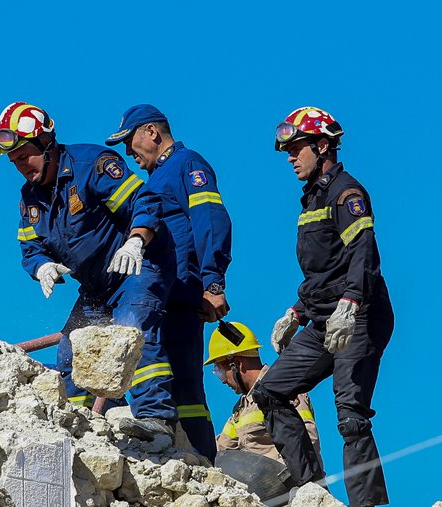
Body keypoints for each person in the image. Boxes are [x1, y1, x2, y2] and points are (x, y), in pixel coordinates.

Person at [0, 101, 178, 440]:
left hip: (136, 268)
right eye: (13, 161)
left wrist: (135, 241)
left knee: (131, 330)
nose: (19, 167)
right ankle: (78, 427)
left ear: (47, 145)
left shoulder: (92, 165)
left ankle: (157, 421)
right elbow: (30, 248)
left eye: (24, 157)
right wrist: (42, 266)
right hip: (95, 287)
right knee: (70, 353)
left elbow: (145, 202)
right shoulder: (30, 198)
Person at [250, 107, 394, 507]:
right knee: (270, 393)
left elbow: (363, 254)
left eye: (296, 149)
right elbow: (324, 270)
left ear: (323, 145)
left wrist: (351, 302)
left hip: (360, 315)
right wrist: (295, 312)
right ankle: (313, 491)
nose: (290, 157)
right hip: (323, 317)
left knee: (350, 417)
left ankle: (368, 506)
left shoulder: (346, 193)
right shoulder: (311, 198)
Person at [106, 103, 232, 462]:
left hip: (184, 289)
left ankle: (203, 462)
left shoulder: (186, 164)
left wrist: (213, 283)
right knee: (173, 376)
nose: (129, 153)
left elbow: (210, 219)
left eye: (130, 142)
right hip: (165, 292)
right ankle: (183, 461)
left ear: (151, 132)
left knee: (183, 382)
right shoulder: (156, 178)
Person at [205, 321, 320, 465]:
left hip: (294, 485)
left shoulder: (285, 389)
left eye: (221, 372)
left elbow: (307, 442)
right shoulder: (241, 410)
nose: (223, 381)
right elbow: (220, 448)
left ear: (237, 364)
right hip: (259, 486)